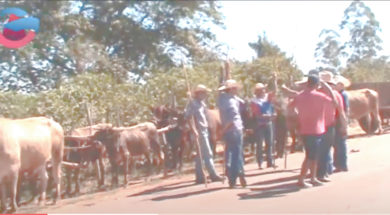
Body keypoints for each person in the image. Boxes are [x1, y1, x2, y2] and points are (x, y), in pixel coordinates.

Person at [288, 72, 342, 187]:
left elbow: (290, 107)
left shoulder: (300, 96)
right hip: (316, 129)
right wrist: (326, 86)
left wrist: (298, 115)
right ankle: (301, 180)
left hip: (305, 129)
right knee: (310, 156)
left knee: (314, 155)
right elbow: (335, 102)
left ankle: (313, 178)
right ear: (317, 84)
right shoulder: (319, 96)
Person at [184, 84, 223, 184]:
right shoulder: (192, 103)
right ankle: (213, 175)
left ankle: (200, 177)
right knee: (207, 153)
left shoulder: (202, 103)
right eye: (203, 93)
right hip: (199, 131)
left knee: (200, 155)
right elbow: (188, 117)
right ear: (198, 94)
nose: (205, 95)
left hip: (204, 129)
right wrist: (194, 130)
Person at [316, 71, 345, 182]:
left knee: (322, 149)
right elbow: (341, 112)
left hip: (320, 125)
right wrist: (343, 125)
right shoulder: (336, 95)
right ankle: (324, 171)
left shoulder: (318, 94)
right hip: (328, 124)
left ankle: (324, 171)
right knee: (325, 148)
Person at [217, 79, 247, 188]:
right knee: (236, 155)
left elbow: (242, 102)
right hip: (233, 129)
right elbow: (232, 119)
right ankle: (234, 179)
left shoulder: (223, 99)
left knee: (234, 154)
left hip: (230, 130)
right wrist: (224, 130)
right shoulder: (230, 102)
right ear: (232, 89)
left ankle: (240, 175)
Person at [250, 83, 277, 169]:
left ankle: (270, 161)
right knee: (260, 144)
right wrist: (266, 116)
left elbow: (275, 91)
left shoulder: (267, 97)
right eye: (261, 89)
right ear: (257, 91)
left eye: (263, 89)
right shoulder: (254, 101)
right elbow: (256, 114)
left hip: (268, 122)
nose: (263, 91)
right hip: (259, 124)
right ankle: (260, 162)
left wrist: (274, 80)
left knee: (270, 143)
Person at [333, 75, 351, 172]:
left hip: (340, 120)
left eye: (338, 84)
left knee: (340, 143)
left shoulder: (343, 95)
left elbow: (345, 110)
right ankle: (338, 164)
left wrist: (344, 124)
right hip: (338, 120)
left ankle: (342, 164)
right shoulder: (339, 94)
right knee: (338, 143)